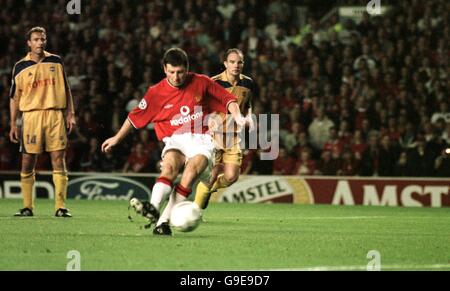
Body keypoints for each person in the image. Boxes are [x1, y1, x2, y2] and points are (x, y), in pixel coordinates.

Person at [101, 48, 247, 235]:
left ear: (187, 68)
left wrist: (238, 116)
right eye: (171, 72)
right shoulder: (155, 93)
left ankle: (164, 220)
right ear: (164, 69)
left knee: (190, 174)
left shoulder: (202, 82)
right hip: (176, 139)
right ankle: (153, 209)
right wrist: (117, 138)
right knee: (169, 167)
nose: (176, 77)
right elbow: (134, 118)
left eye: (180, 72)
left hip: (202, 140)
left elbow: (228, 100)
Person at [9, 27, 76, 217]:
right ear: (29, 43)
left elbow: (67, 88)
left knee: (58, 159)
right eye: (36, 39)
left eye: (43, 39)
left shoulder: (56, 61)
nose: (40, 42)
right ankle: (27, 207)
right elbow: (14, 97)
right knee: (28, 160)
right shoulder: (20, 67)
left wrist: (70, 113)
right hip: (31, 116)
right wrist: (13, 123)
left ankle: (60, 207)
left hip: (55, 115)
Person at [194, 48, 255, 210]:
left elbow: (247, 105)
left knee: (231, 176)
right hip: (214, 135)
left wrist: (248, 116)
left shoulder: (248, 82)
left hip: (234, 136)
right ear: (225, 63)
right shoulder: (213, 82)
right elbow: (200, 105)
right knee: (211, 174)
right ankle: (195, 211)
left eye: (239, 62)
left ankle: (208, 191)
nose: (236, 65)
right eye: (232, 62)